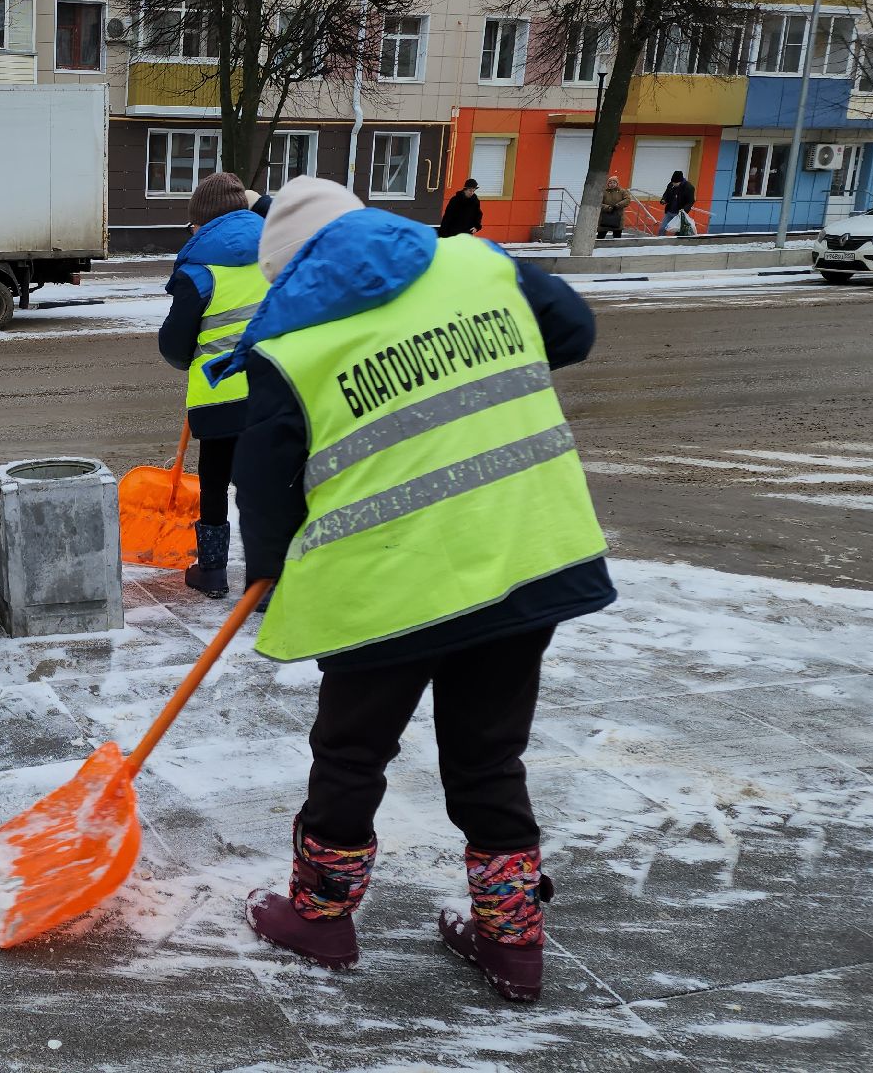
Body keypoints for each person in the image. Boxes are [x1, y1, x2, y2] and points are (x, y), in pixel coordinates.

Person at [205, 177, 615, 1003]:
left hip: (386, 584)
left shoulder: (293, 338)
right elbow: (572, 329)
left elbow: (266, 480)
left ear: (290, 270)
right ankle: (513, 943)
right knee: (489, 755)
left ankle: (321, 917)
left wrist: (270, 566)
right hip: (521, 553)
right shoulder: (478, 264)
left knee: (353, 753)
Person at [158, 173, 271, 598]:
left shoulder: (199, 271)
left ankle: (212, 571)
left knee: (215, 481)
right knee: (267, 483)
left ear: (201, 222)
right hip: (275, 392)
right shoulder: (279, 250)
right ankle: (267, 580)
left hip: (221, 398)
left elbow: (174, 346)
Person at [660, 171, 696, 236]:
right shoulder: (671, 184)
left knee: (678, 231)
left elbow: (691, 201)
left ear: (680, 181)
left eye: (675, 183)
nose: (673, 184)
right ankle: (659, 241)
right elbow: (666, 193)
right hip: (669, 211)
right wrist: (663, 199)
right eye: (672, 182)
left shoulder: (689, 187)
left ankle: (676, 244)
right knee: (662, 228)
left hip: (679, 213)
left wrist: (684, 210)